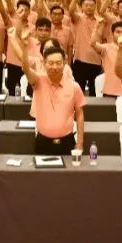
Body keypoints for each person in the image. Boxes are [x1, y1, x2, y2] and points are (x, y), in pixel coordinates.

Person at [8, 27, 85, 155]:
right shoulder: (38, 81)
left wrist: (80, 143)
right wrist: (25, 47)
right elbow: (26, 68)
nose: (55, 67)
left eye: (58, 63)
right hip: (43, 142)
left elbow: (80, 114)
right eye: (51, 63)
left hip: (67, 142)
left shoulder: (74, 87)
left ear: (64, 63)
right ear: (44, 63)